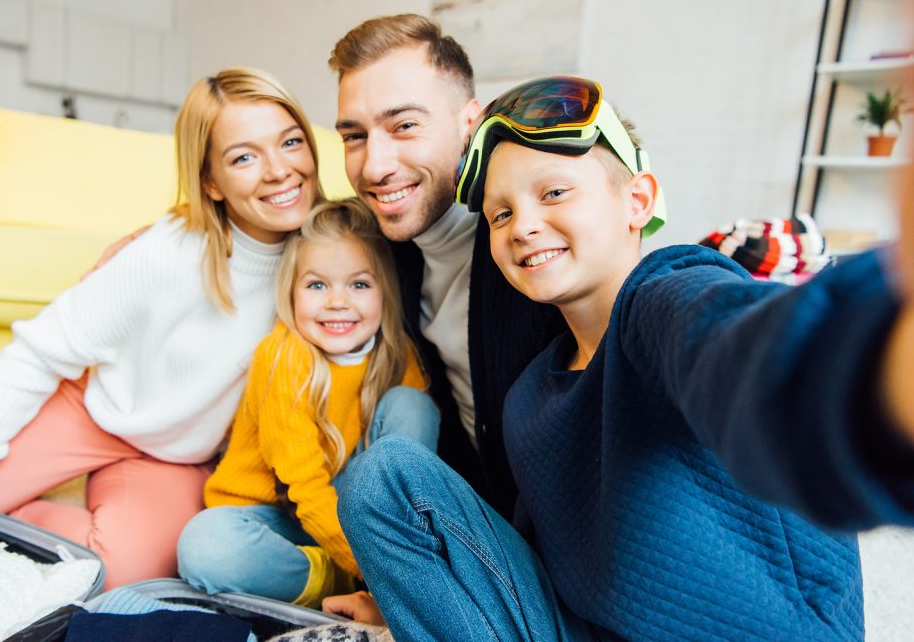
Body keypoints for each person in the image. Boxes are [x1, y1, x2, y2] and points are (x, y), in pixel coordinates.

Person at [329, 76, 914, 639]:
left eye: (554, 192)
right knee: (382, 477)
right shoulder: (533, 395)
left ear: (639, 200)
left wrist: (877, 359)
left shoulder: (665, 296)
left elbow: (750, 351)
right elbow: (536, 570)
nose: (524, 225)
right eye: (501, 213)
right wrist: (436, 602)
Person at [0, 67, 322, 589]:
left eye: (291, 142)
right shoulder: (165, 253)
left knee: (124, 572)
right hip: (88, 411)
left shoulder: (328, 256)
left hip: (175, 456)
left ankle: (7, 519)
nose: (280, 170)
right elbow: (37, 355)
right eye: (244, 157)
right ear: (211, 182)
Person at [327, 14, 667, 519]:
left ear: (470, 125)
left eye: (404, 126)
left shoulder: (540, 248)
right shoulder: (376, 248)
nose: (374, 166)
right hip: (481, 518)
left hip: (573, 534)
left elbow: (659, 302)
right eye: (354, 137)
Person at [176, 199, 439, 608]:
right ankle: (333, 580)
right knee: (205, 545)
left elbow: (408, 466)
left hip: (359, 517)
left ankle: (401, 558)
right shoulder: (283, 357)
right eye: (317, 285)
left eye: (359, 284)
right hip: (278, 517)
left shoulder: (395, 353)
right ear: (291, 291)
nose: (337, 301)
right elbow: (304, 490)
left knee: (414, 405)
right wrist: (371, 573)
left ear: (385, 290)